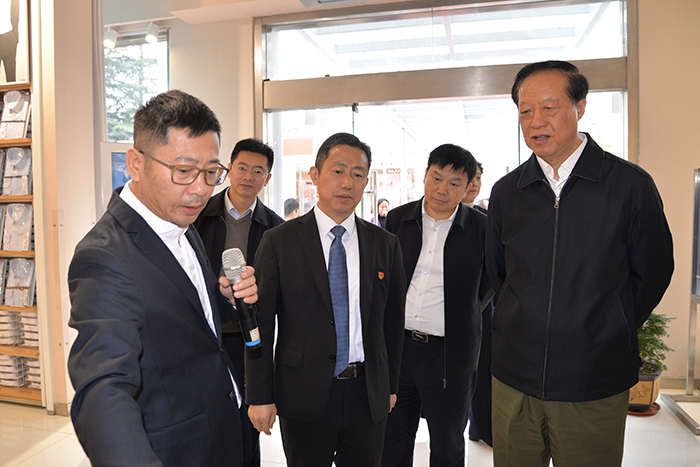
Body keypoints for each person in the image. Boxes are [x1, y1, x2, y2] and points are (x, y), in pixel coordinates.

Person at [486, 61, 674, 466]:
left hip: (594, 379)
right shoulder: (506, 193)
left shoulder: (629, 186)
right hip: (514, 378)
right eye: (525, 110)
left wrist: (609, 325)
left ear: (580, 107)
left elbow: (653, 272)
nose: (535, 121)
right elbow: (498, 272)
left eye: (549, 107)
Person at [67, 90, 259, 467]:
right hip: (178, 452)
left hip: (226, 428)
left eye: (211, 172)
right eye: (183, 171)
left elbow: (184, 317)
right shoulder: (104, 256)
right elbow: (103, 388)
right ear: (136, 164)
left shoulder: (181, 222)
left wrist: (222, 297)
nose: (201, 189)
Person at [246, 132, 407, 467]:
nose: (347, 182)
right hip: (303, 392)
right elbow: (260, 324)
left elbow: (392, 322)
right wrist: (259, 395)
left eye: (358, 174)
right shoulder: (279, 241)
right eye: (338, 171)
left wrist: (390, 385)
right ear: (315, 175)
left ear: (366, 183)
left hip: (367, 393)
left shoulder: (385, 244)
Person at [382, 144, 493, 467]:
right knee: (392, 440)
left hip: (449, 356)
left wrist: (462, 312)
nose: (442, 189)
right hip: (399, 350)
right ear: (425, 176)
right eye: (437, 178)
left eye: (454, 183)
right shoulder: (398, 219)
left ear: (468, 187)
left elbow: (489, 283)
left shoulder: (482, 229)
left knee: (447, 445)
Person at [194, 137, 284, 467]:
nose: (248, 176)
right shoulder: (198, 215)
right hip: (202, 335)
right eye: (242, 167)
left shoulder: (277, 228)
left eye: (258, 171)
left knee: (246, 430)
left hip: (249, 341)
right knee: (205, 424)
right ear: (229, 169)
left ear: (267, 179)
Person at [459, 160, 494, 447]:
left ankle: (481, 427)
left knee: (482, 370)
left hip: (481, 309)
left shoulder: (487, 220)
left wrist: (476, 306)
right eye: (469, 177)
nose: (474, 183)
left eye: (478, 178)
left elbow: (494, 271)